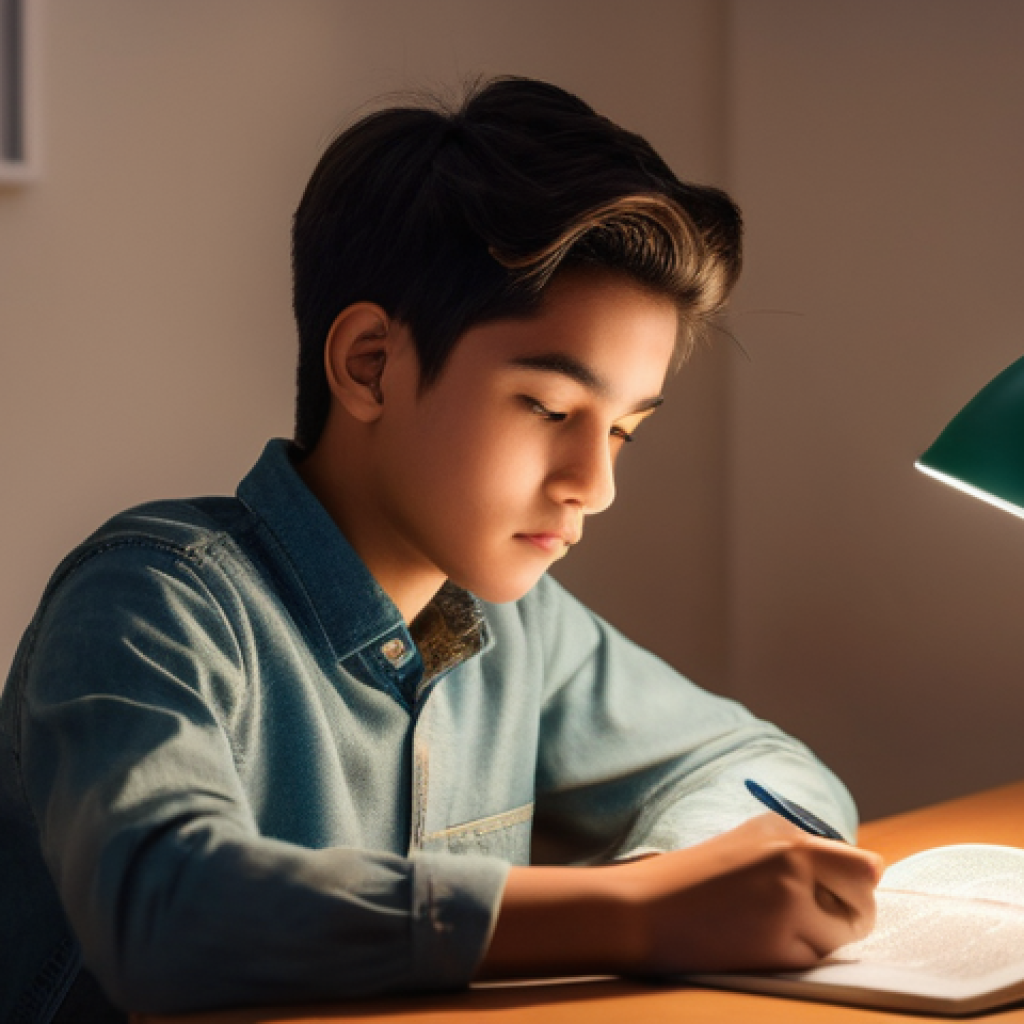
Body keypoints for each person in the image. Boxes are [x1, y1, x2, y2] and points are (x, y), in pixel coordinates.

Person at [0, 76, 881, 1022]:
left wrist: (678, 874)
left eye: (625, 429)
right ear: (370, 364)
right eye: (549, 408)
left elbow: (763, 768)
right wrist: (635, 911)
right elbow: (169, 912)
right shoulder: (151, 602)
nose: (596, 484)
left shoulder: (519, 626)